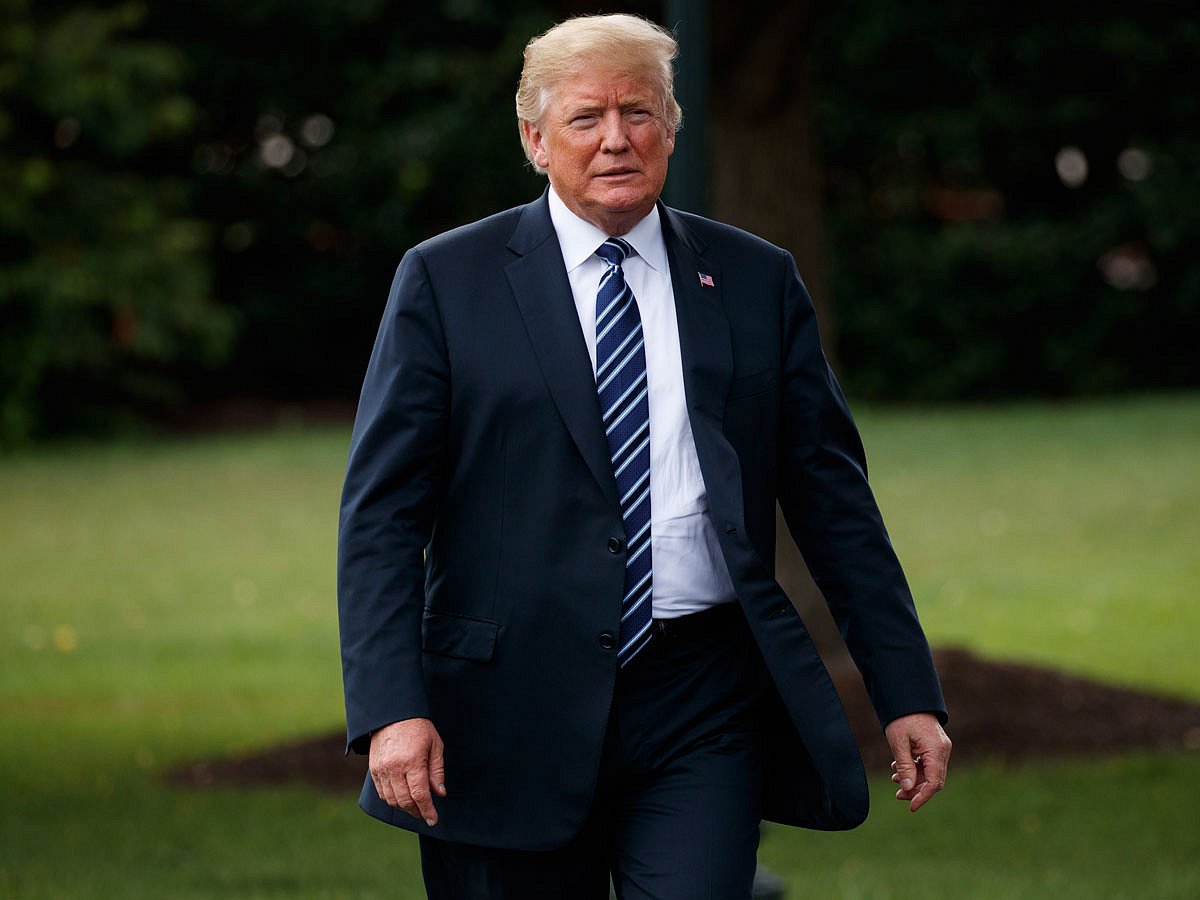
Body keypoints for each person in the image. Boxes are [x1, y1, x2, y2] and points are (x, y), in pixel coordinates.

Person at [337, 12, 950, 900]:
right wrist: (392, 708)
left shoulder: (754, 278)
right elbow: (382, 519)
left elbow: (833, 500)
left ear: (671, 129)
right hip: (507, 708)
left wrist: (906, 690)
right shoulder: (446, 281)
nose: (617, 140)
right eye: (587, 118)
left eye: (641, 113)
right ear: (535, 140)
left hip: (701, 699)